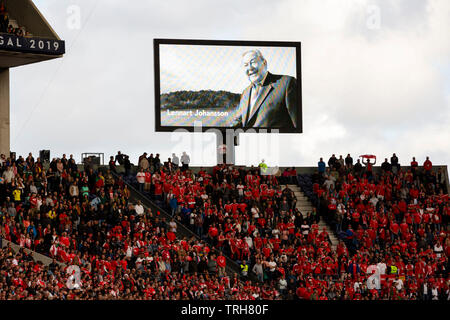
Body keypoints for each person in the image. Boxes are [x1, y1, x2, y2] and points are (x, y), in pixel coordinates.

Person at [234, 49, 298, 129]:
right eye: (246, 65)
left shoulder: (287, 83)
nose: (250, 68)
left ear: (264, 63)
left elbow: (298, 124)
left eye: (253, 62)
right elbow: (240, 120)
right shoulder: (245, 92)